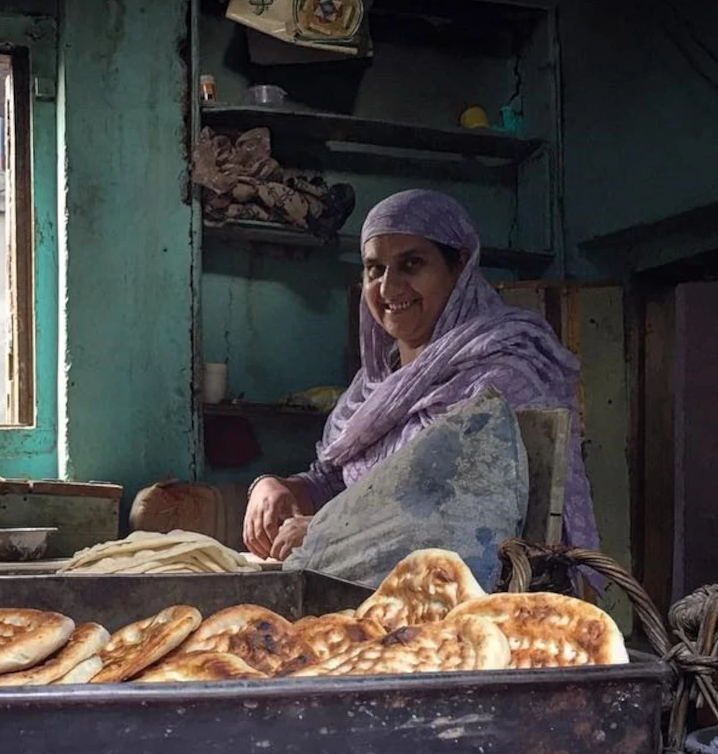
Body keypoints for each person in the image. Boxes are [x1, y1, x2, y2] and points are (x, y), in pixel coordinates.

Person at [243, 189, 599, 562]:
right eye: (374, 268)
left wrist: (329, 532)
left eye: (411, 264)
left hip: (468, 597)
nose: (388, 287)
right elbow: (337, 482)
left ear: (460, 266)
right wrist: (279, 487)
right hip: (371, 596)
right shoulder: (375, 386)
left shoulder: (501, 375)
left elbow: (478, 511)